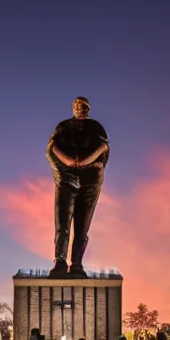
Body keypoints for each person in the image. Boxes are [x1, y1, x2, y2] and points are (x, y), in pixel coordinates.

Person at [46, 96, 110, 278]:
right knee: (62, 223)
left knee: (83, 226)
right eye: (75, 105)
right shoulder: (63, 126)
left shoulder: (96, 127)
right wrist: (66, 167)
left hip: (90, 180)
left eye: (82, 105)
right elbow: (51, 149)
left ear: (88, 108)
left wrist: (87, 164)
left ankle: (77, 264)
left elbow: (103, 148)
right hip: (65, 180)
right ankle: (60, 260)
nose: (79, 107)